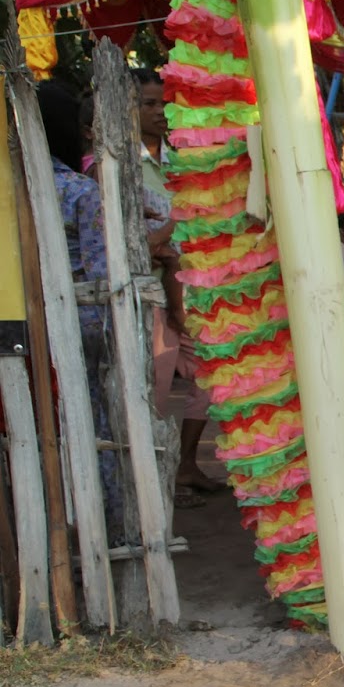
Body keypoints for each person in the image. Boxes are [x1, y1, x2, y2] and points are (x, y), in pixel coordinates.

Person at [39, 82, 123, 539]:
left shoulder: (14, 189)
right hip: (79, 327)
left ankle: (47, 524)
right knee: (94, 428)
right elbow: (101, 274)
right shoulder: (78, 191)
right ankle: (99, 526)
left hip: (23, 331)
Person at [135, 69, 223, 499]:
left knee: (208, 377)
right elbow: (139, 243)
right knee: (153, 390)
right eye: (149, 104)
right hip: (146, 295)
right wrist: (173, 226)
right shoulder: (114, 166)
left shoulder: (177, 163)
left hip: (190, 289)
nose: (160, 113)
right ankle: (148, 483)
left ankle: (186, 464)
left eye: (164, 104)